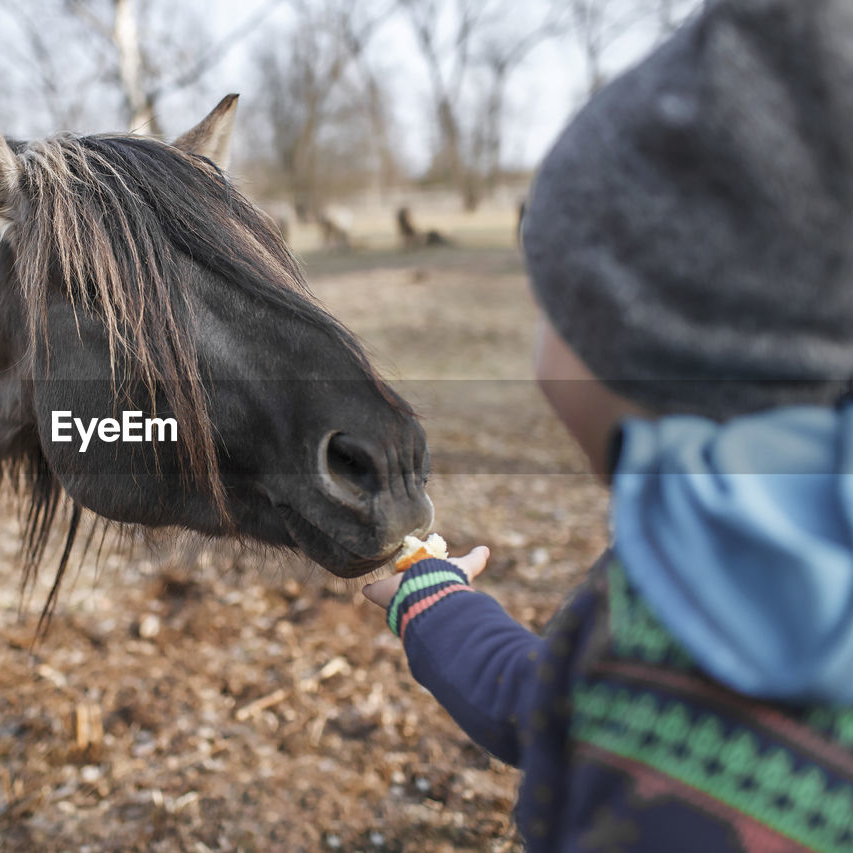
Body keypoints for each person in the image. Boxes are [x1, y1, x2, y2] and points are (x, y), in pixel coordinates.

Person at [362, 1, 853, 850]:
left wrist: (425, 595)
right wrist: (431, 595)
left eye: (552, 306)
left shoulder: (674, 608)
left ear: (645, 344)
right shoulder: (731, 548)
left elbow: (540, 702)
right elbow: (555, 697)